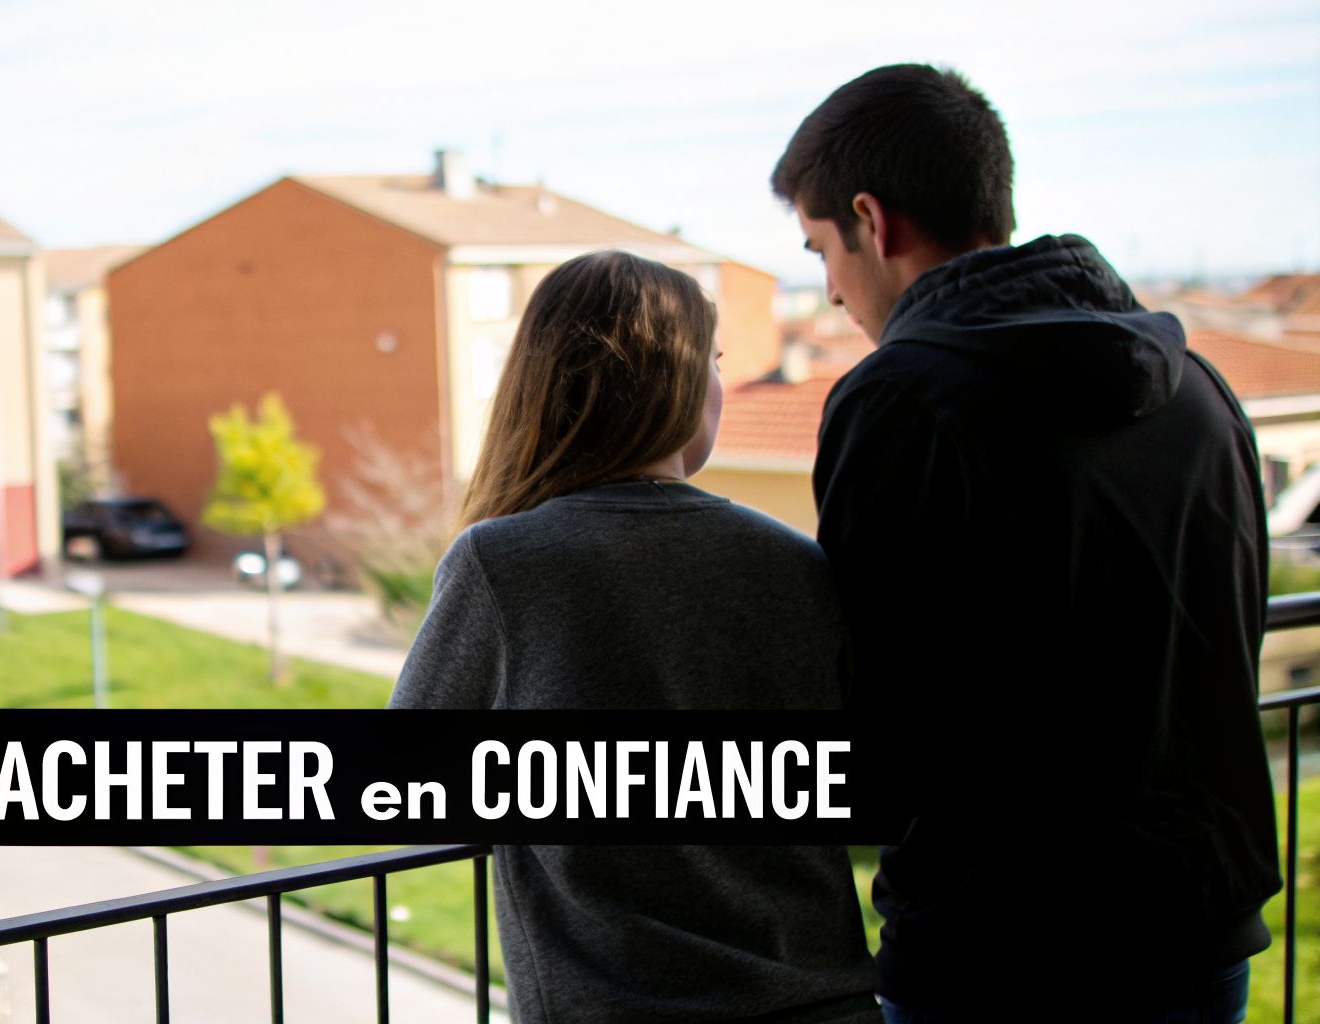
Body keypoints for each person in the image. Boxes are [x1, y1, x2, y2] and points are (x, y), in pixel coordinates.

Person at [771, 64, 1280, 1019]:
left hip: (999, 957)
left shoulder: (901, 403)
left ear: (874, 222)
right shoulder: (1199, 392)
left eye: (819, 249)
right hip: (1198, 932)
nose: (831, 293)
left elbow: (882, 731)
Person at [389, 250, 881, 1024]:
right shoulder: (796, 561)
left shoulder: (507, 562)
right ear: (682, 387)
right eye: (712, 361)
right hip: (827, 1004)